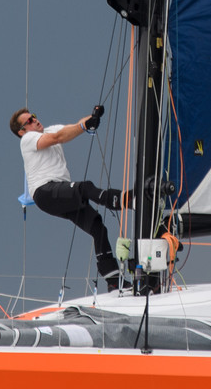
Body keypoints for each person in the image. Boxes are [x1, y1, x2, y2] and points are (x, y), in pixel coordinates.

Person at [10, 106, 128, 289]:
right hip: (45, 192)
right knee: (85, 188)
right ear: (22, 130)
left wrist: (93, 117)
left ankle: (113, 280)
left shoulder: (49, 129)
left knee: (97, 227)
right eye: (29, 121)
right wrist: (85, 125)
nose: (35, 120)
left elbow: (74, 127)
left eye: (34, 116)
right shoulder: (27, 139)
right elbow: (58, 138)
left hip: (59, 193)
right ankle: (116, 201)